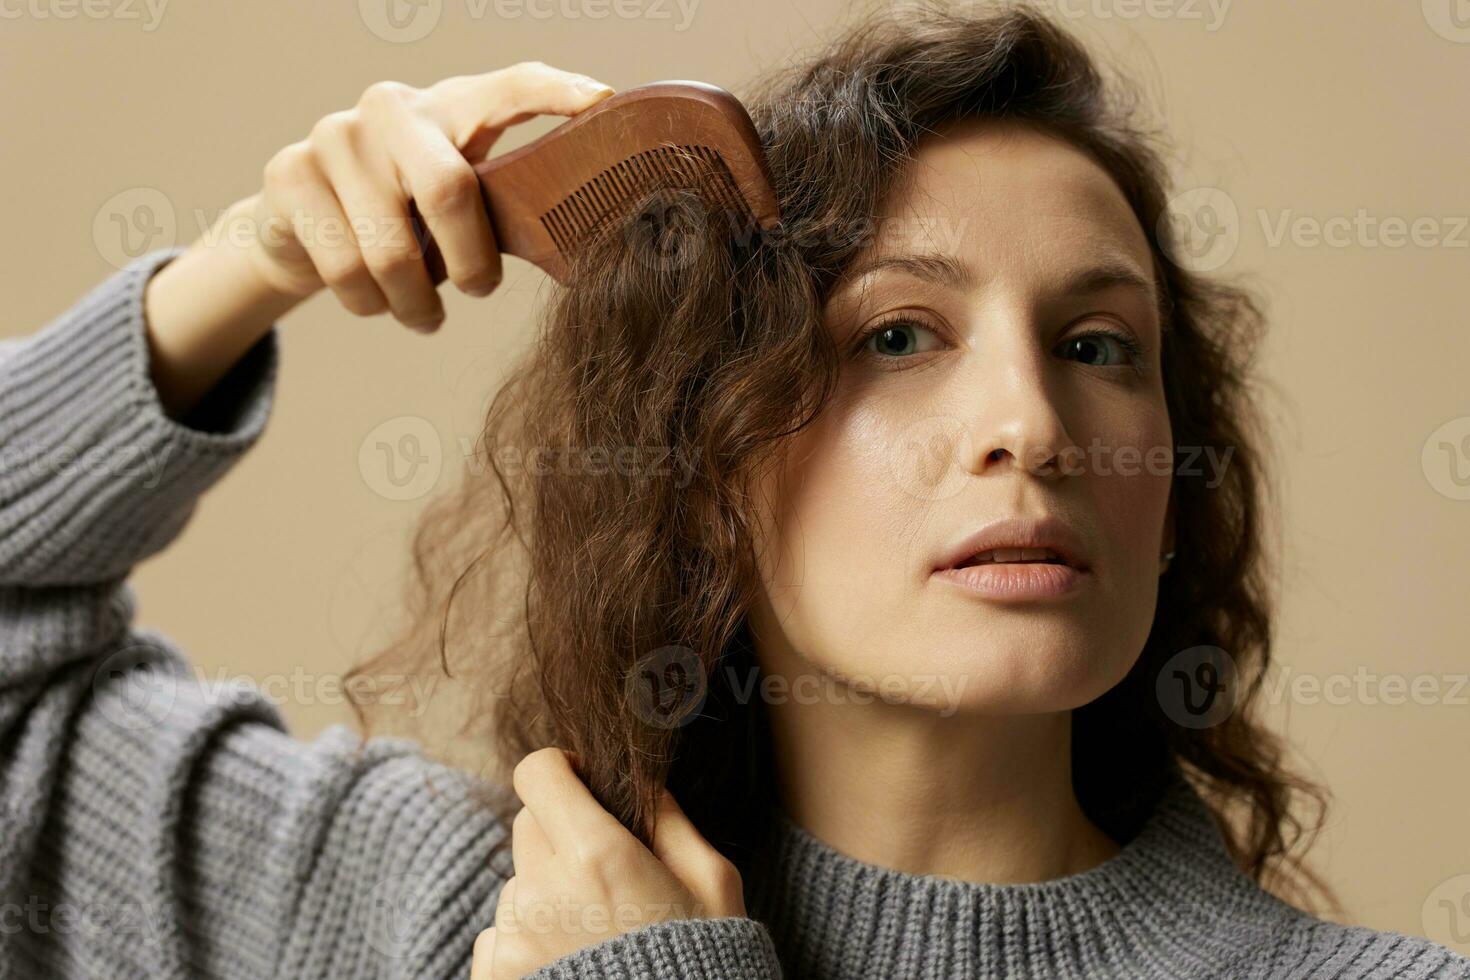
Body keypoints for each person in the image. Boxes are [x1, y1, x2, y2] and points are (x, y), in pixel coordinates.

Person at [2, 3, 1465, 978]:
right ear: (703, 468)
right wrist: (252, 262)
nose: (1030, 423)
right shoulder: (441, 908)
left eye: (1099, 347)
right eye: (896, 337)